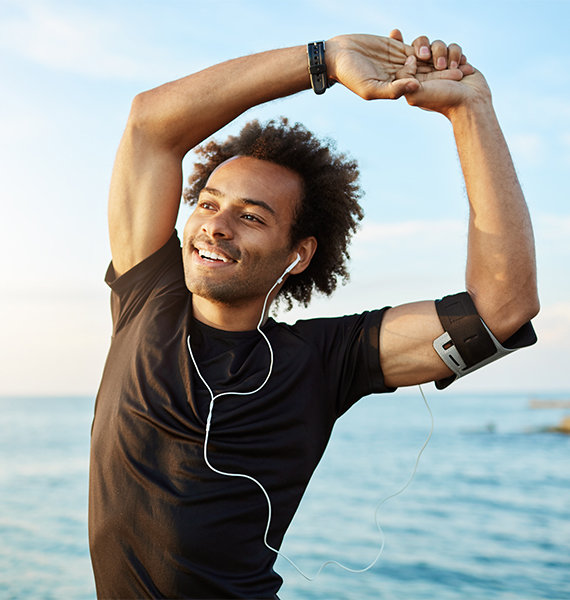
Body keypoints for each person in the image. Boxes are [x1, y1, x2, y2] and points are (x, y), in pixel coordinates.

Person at [89, 30, 539, 599]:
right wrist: (322, 60)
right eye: (208, 203)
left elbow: (503, 306)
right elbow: (149, 123)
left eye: (251, 217)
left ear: (298, 254)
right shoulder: (146, 297)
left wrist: (470, 111)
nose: (216, 225)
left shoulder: (322, 361)